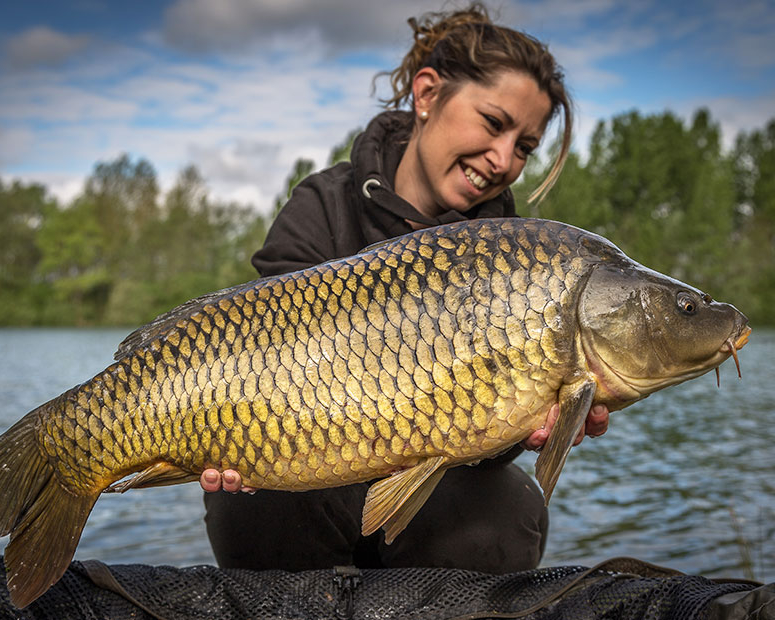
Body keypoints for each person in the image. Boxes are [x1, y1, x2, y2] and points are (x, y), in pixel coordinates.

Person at [199, 3, 609, 573]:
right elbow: (262, 354)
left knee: (513, 506)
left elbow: (485, 431)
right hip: (313, 462)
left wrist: (529, 426)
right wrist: (234, 434)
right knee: (245, 499)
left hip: (437, 488)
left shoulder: (520, 261)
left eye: (525, 147)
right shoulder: (323, 204)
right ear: (426, 94)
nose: (503, 159)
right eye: (494, 123)